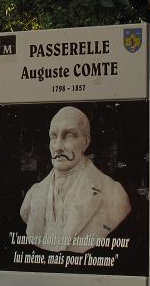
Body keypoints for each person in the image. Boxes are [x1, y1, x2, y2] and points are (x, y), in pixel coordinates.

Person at [19, 106, 130, 254]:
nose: (58, 147)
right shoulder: (33, 195)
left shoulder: (114, 194)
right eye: (53, 136)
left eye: (69, 135)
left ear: (86, 142)